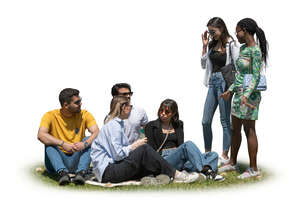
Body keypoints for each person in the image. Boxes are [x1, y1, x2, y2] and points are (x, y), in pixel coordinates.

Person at [90, 96, 200, 185]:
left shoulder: (116, 125)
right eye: (130, 106)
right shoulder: (114, 126)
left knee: (143, 157)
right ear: (124, 108)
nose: (132, 109)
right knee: (143, 149)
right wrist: (134, 146)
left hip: (110, 170)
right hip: (108, 172)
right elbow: (118, 155)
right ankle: (177, 175)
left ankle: (158, 177)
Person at [219, 18, 268, 179]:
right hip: (239, 94)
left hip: (250, 97)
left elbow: (255, 76)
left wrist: (246, 95)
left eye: (237, 31)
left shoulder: (255, 51)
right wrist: (231, 90)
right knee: (234, 129)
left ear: (245, 30)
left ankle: (254, 169)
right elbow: (240, 76)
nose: (236, 35)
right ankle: (232, 162)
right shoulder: (243, 48)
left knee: (249, 130)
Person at [145, 99, 224, 181]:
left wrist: (181, 154)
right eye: (161, 110)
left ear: (173, 113)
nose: (163, 113)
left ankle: (198, 170)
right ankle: (208, 172)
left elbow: (180, 144)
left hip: (180, 159)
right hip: (164, 160)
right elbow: (151, 151)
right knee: (188, 144)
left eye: (167, 112)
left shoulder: (178, 124)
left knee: (213, 154)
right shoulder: (151, 126)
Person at [37, 88, 99, 185]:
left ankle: (81, 173)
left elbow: (96, 132)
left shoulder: (85, 114)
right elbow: (41, 135)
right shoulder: (50, 115)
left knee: (89, 139)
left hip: (76, 159)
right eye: (77, 102)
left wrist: (84, 144)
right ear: (66, 105)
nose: (81, 104)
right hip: (56, 162)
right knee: (48, 143)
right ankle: (62, 173)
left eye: (80, 100)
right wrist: (63, 144)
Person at [201, 17, 240, 165]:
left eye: (213, 31)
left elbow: (237, 67)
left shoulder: (232, 44)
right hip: (212, 82)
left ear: (221, 28)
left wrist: (232, 88)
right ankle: (208, 153)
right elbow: (203, 65)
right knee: (205, 121)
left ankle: (224, 154)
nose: (211, 34)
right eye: (209, 31)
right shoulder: (212, 44)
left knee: (224, 121)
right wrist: (204, 46)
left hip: (225, 83)